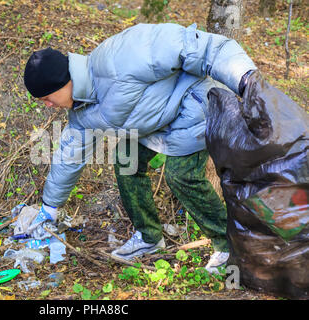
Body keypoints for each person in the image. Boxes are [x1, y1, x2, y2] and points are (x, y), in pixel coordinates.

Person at [22, 22, 257, 273]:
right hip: (157, 123)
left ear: (62, 82)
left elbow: (193, 44)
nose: (47, 106)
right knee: (126, 159)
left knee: (181, 175)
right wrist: (49, 207)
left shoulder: (117, 59)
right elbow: (69, 156)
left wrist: (245, 78)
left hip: (195, 106)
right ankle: (149, 238)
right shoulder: (81, 112)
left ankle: (230, 246)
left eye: (47, 98)